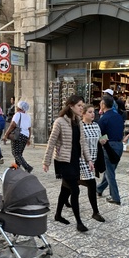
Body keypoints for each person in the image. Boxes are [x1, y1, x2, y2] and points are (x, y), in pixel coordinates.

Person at [42, 95, 93, 232]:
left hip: (75, 160)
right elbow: (51, 142)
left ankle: (58, 214)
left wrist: (89, 160)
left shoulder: (79, 122)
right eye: (79, 106)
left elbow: (83, 143)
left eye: (82, 106)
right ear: (71, 106)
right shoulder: (59, 121)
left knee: (65, 189)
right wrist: (46, 162)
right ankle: (79, 222)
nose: (81, 108)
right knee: (75, 190)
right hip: (63, 161)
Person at [79, 104, 106, 222]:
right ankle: (95, 212)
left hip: (93, 158)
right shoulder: (80, 126)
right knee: (92, 183)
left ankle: (65, 195)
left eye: (93, 112)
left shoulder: (96, 125)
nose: (92, 114)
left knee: (76, 182)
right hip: (82, 159)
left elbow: (100, 138)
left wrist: (104, 140)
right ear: (83, 113)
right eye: (89, 112)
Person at [96, 94, 124, 205]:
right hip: (119, 145)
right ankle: (99, 188)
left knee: (110, 172)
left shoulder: (104, 118)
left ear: (103, 104)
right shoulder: (118, 116)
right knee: (110, 170)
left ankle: (115, 196)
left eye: (100, 103)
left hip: (109, 146)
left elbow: (98, 133)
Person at [3, 100, 33, 173]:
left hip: (18, 135)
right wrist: (28, 139)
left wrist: (6, 134)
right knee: (19, 153)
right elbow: (29, 128)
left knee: (15, 153)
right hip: (25, 136)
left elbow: (12, 125)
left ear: (19, 108)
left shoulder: (17, 114)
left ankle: (27, 167)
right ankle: (16, 166)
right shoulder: (28, 116)